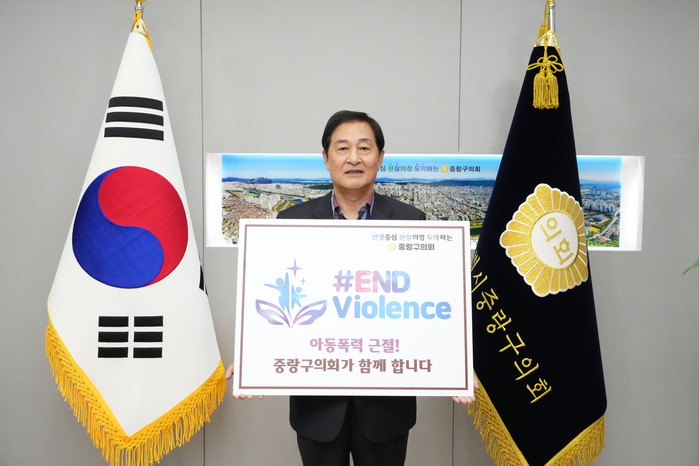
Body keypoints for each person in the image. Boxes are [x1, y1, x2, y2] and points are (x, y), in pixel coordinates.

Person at [226, 110, 475, 466]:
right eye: (342, 148)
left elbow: (428, 303)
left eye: (365, 148)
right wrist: (256, 354)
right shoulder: (292, 221)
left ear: (380, 157)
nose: (354, 158)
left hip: (386, 411)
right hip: (317, 409)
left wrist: (455, 362)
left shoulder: (412, 221)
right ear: (326, 158)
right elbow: (279, 292)